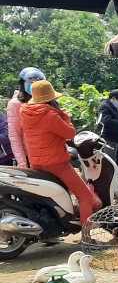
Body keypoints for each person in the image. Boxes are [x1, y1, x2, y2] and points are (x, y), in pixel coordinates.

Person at [20, 80, 100, 225]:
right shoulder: (50, 115)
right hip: (56, 164)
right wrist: (62, 113)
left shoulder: (25, 112)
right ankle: (87, 236)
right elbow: (70, 132)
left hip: (36, 163)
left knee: (51, 197)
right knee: (85, 197)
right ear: (52, 98)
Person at [7, 67, 46, 167]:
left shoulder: (45, 101)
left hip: (46, 153)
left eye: (37, 82)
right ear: (22, 83)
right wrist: (22, 162)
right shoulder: (15, 104)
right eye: (31, 81)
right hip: (29, 156)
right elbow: (14, 135)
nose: (33, 84)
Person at [96, 89, 118, 174]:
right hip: (108, 140)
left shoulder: (114, 108)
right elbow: (106, 121)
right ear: (113, 98)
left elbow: (117, 122)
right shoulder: (104, 107)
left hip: (117, 140)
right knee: (111, 165)